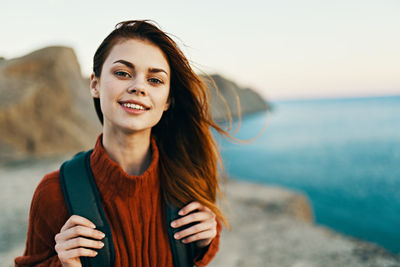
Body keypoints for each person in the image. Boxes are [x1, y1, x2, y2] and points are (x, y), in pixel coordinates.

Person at [15, 19, 231, 267]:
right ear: (94, 85)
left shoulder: (188, 178)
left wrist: (206, 240)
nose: (138, 86)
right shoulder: (53, 192)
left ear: (168, 100)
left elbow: (195, 256)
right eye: (122, 73)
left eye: (155, 80)